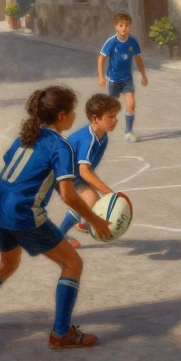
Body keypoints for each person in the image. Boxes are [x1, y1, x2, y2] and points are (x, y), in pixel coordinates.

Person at [0, 86, 113, 349]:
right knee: (72, 264)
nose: (75, 116)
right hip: (23, 214)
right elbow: (68, 195)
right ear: (62, 115)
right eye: (73, 111)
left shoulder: (25, 137)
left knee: (7, 263)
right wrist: (95, 220)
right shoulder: (60, 146)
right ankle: (61, 334)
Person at [57, 93, 123, 248]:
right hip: (60, 174)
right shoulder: (89, 140)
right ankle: (59, 238)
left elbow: (86, 171)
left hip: (72, 173)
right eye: (110, 117)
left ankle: (82, 223)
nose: (115, 121)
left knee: (93, 196)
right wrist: (109, 192)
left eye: (115, 116)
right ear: (95, 119)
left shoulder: (103, 135)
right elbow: (85, 171)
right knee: (90, 198)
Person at [98, 13, 147, 142]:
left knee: (131, 104)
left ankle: (128, 132)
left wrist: (143, 75)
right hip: (113, 79)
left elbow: (138, 58)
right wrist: (101, 77)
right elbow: (101, 58)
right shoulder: (111, 42)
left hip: (127, 79)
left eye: (127, 25)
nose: (124, 28)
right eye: (121, 25)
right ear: (116, 27)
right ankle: (101, 128)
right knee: (111, 107)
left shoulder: (133, 41)